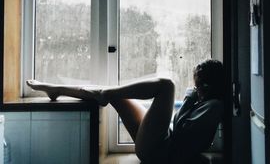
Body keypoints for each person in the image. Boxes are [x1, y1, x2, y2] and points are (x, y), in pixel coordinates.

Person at [27, 59, 224, 164]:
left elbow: (181, 129)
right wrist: (194, 96)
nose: (195, 89)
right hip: (162, 145)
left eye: (198, 86)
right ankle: (56, 89)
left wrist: (190, 97)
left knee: (167, 85)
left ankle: (104, 93)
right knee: (113, 94)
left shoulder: (214, 106)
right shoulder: (205, 101)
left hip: (161, 154)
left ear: (209, 86)